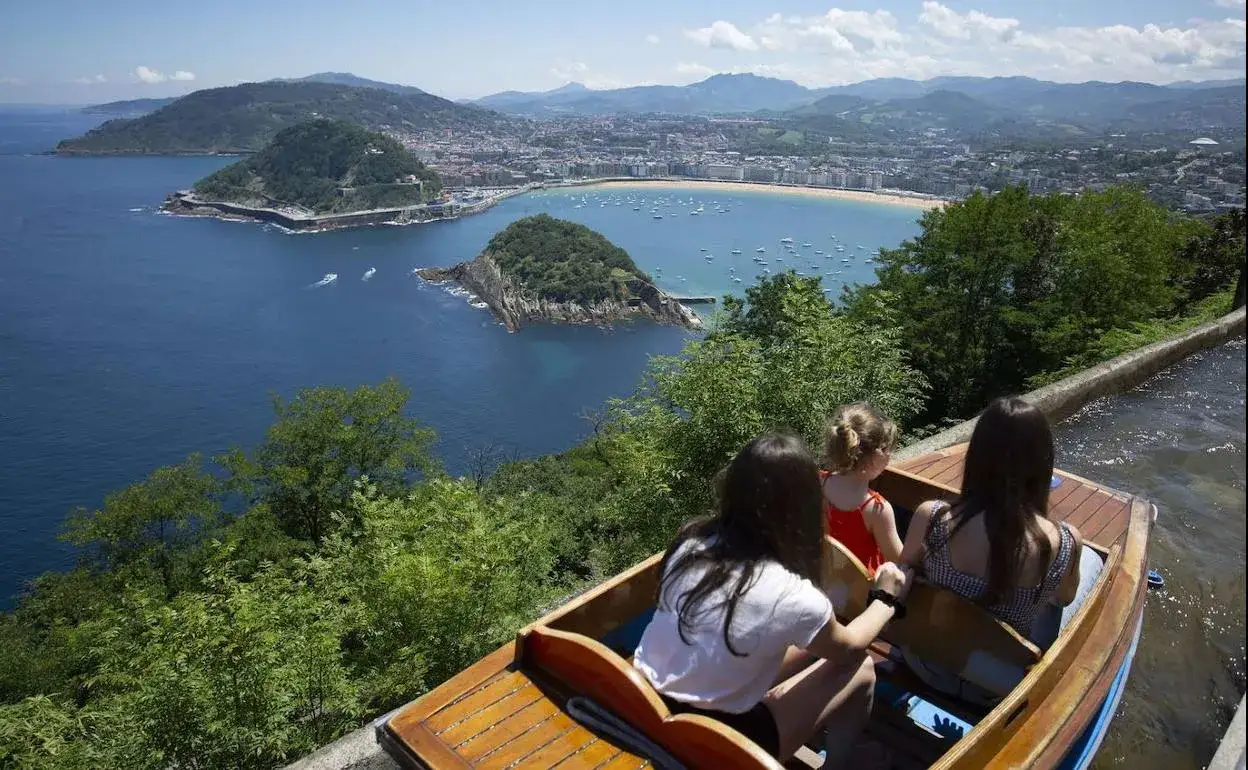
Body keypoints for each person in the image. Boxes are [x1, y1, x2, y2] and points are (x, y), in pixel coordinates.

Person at [633, 434, 913, 768]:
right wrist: (886, 598)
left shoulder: (691, 544)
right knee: (861, 668)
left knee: (813, 645)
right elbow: (851, 647)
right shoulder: (790, 593)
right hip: (721, 746)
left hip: (644, 705)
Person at [900, 396, 1086, 641]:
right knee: (1087, 564)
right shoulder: (1065, 540)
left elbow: (904, 570)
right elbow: (1065, 598)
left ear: (976, 455)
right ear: (1043, 462)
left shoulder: (932, 517)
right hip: (1000, 675)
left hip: (925, 658)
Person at [820, 403, 904, 575]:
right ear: (875, 456)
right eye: (888, 450)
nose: (891, 455)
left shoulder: (815, 483)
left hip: (821, 576)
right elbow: (900, 561)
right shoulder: (877, 509)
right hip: (859, 594)